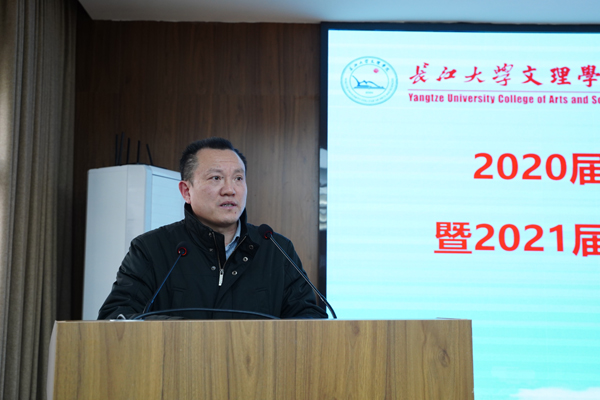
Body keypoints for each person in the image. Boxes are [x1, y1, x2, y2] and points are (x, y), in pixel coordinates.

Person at [98, 137, 326, 320]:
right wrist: (188, 333)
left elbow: (310, 319)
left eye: (238, 178)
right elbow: (116, 317)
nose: (230, 190)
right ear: (186, 191)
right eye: (216, 178)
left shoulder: (276, 249)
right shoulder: (151, 249)